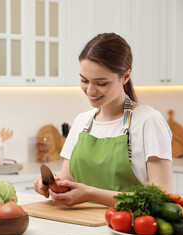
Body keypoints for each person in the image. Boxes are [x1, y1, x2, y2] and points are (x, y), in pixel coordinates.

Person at [33, 33, 173, 207]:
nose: (90, 91)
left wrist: (91, 194)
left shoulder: (148, 121)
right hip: (81, 227)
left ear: (125, 76)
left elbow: (162, 197)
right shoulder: (81, 122)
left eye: (101, 83)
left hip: (127, 229)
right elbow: (66, 185)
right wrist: (49, 185)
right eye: (84, 80)